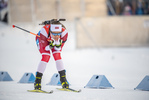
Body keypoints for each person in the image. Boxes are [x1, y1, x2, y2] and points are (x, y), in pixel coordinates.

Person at [34, 20, 69, 90]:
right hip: (42, 39)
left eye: (58, 34)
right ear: (50, 32)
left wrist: (57, 45)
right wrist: (50, 46)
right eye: (54, 34)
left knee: (57, 55)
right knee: (46, 56)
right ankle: (37, 82)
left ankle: (63, 80)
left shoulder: (64, 34)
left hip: (51, 41)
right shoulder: (44, 31)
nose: (56, 36)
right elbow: (45, 48)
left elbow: (58, 49)